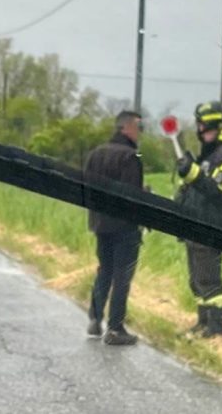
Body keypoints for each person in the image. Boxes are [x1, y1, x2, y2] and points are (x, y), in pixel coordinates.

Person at [175, 101, 222, 338]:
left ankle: (215, 329)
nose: (200, 131)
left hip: (213, 226)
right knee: (196, 280)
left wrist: (192, 173)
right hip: (197, 225)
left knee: (208, 280)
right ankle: (203, 323)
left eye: (205, 126)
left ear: (220, 127)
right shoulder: (210, 155)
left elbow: (215, 189)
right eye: (199, 126)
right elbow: (195, 189)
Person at [83, 110, 144, 346]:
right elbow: (131, 196)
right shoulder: (130, 157)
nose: (140, 132)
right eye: (138, 127)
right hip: (124, 227)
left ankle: (95, 318)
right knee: (122, 275)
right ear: (126, 128)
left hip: (100, 224)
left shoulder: (95, 154)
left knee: (104, 270)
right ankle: (116, 328)